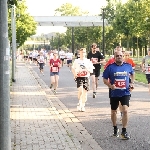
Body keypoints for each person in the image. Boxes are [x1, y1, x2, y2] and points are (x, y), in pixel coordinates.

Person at [103, 50, 135, 140]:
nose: (119, 57)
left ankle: (124, 131)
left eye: (121, 55)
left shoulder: (128, 66)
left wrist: (132, 83)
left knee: (125, 110)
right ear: (114, 57)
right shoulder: (110, 67)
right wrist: (110, 85)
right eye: (117, 56)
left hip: (125, 92)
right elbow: (104, 79)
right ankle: (115, 128)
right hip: (114, 93)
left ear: (123, 56)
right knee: (114, 111)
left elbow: (133, 74)